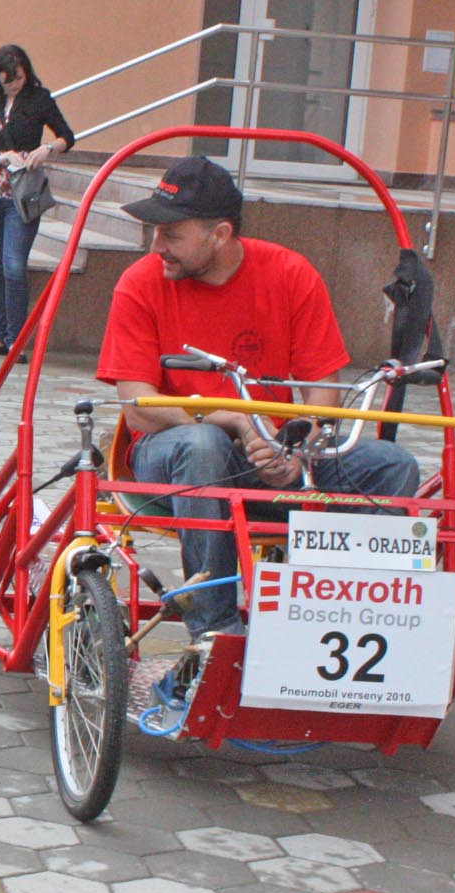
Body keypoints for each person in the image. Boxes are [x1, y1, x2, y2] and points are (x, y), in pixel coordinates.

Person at [95, 156, 420, 640]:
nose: (156, 246)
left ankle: (345, 624)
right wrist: (229, 418)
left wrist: (299, 449)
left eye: (171, 234)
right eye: (156, 232)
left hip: (271, 449)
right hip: (173, 450)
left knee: (393, 466)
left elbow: (323, 386)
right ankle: (216, 633)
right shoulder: (140, 284)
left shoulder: (290, 273)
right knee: (204, 445)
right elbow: (138, 407)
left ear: (220, 234)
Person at [0, 45, 75, 357]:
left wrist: (46, 149)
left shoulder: (39, 98)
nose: (14, 85)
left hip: (23, 190)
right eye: (8, 80)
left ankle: (16, 338)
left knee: (14, 264)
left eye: (19, 78)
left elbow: (67, 136)